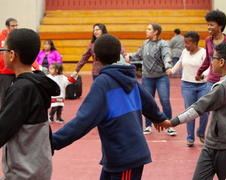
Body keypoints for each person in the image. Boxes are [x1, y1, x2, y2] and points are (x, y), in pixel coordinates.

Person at [52, 34, 168, 180]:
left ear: (95, 57)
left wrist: (53, 141)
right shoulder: (128, 77)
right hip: (117, 156)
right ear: (118, 54)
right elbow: (148, 101)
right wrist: (159, 118)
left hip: (126, 158)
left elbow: (83, 120)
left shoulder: (103, 83)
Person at [159, 43, 226, 180]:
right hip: (211, 145)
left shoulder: (222, 87)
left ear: (221, 62)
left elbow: (197, 108)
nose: (210, 62)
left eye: (212, 58)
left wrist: (172, 122)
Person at [0, 28, 60, 180]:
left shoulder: (22, 88)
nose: (2, 53)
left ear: (12, 55)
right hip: (38, 165)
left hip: (24, 172)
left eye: (3, 50)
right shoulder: (38, 82)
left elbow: (3, 128)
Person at [129, 23, 176, 136]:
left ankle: (169, 125)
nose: (146, 30)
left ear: (155, 32)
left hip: (161, 77)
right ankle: (148, 126)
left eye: (149, 29)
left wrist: (168, 67)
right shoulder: (145, 43)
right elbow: (138, 55)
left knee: (165, 101)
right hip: (147, 78)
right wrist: (128, 56)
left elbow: (167, 56)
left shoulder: (163, 44)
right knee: (147, 102)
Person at [166, 31, 208, 147]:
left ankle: (201, 133)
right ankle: (190, 137)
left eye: (188, 43)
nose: (185, 45)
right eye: (185, 42)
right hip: (187, 85)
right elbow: (179, 62)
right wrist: (172, 70)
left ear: (195, 43)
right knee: (189, 111)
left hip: (202, 85)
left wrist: (204, 75)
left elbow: (208, 67)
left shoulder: (204, 53)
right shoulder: (184, 52)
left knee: (204, 111)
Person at [195, 10, 226, 89]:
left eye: (212, 25)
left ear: (220, 26)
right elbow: (207, 60)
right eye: (208, 25)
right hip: (211, 81)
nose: (209, 27)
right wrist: (199, 73)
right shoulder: (208, 40)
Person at [0, 18, 18, 109]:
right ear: (7, 26)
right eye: (12, 26)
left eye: (16, 25)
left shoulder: (18, 37)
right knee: (3, 96)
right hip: (4, 72)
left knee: (18, 94)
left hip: (17, 70)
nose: (15, 27)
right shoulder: (1, 37)